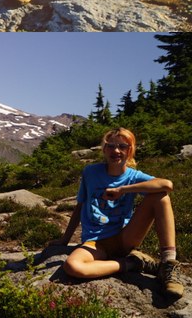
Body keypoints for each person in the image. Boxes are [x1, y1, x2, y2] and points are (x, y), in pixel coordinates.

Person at [52, 127, 184, 300]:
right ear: (104, 149)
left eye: (122, 146)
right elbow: (80, 206)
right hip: (95, 243)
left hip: (124, 237)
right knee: (73, 266)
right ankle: (133, 263)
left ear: (130, 150)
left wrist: (123, 190)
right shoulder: (90, 172)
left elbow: (167, 185)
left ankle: (168, 263)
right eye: (111, 146)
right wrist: (65, 239)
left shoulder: (133, 176)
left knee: (161, 197)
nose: (116, 151)